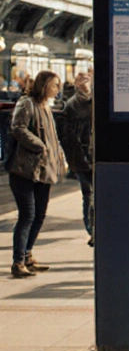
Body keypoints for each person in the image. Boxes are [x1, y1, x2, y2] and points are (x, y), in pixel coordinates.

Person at [8, 71, 66, 278]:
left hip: (44, 170)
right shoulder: (27, 104)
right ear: (44, 85)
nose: (57, 89)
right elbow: (18, 128)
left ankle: (28, 255)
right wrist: (40, 145)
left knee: (39, 215)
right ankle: (18, 261)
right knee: (27, 216)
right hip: (25, 170)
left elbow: (54, 137)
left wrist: (60, 157)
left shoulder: (45, 107)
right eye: (55, 85)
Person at [60, 72, 94, 245]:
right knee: (88, 194)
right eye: (83, 80)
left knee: (94, 194)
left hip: (94, 155)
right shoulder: (72, 105)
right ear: (77, 84)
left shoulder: (97, 100)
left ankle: (95, 230)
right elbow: (68, 136)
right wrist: (75, 161)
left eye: (88, 79)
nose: (86, 83)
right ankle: (93, 231)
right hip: (82, 157)